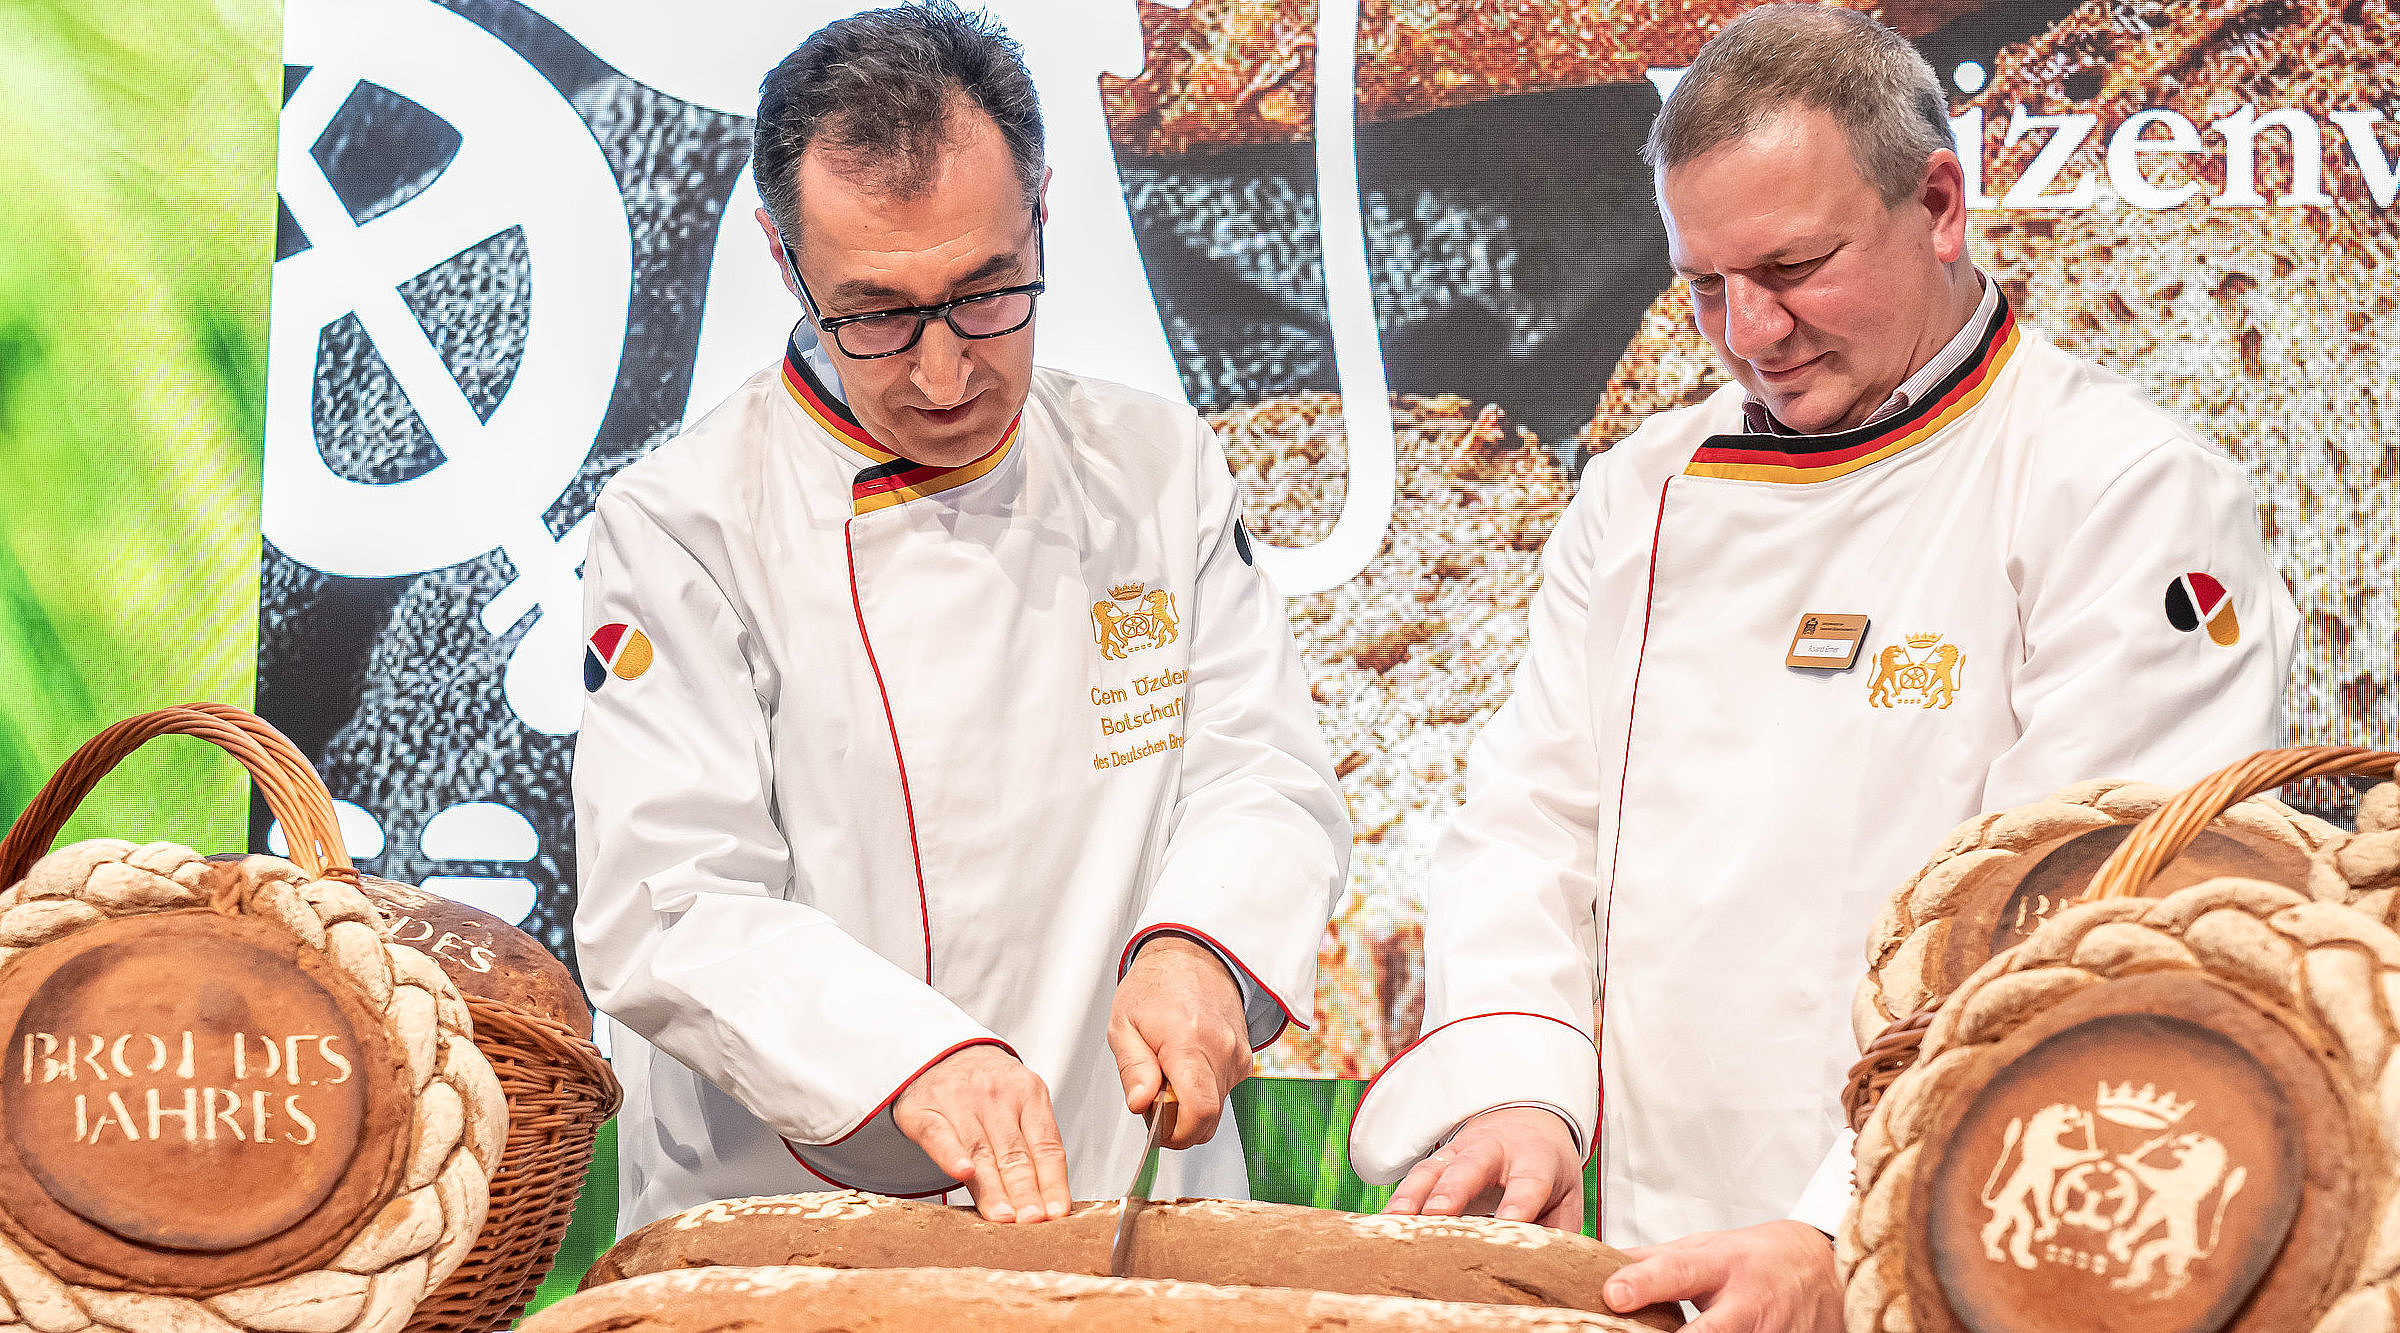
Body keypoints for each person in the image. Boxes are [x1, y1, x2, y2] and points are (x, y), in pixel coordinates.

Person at [1346, 6, 2297, 1330]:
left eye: (1794, 268)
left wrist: (1848, 1223)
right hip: (1643, 1245)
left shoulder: (2123, 493)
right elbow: (1527, 823)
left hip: (1946, 1234)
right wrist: (1522, 1085)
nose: (1752, 331)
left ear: (1941, 203)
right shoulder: (1641, 493)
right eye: (1704, 285)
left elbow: (2088, 925)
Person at [573, 1, 1349, 1234]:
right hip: (798, 1222)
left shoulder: (1157, 469)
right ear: (784, 261)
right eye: (878, 316)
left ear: (1042, 211)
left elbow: (1261, 772)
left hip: (1122, 1182)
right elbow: (673, 904)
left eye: (988, 293)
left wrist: (1202, 944)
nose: (945, 375)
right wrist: (907, 1056)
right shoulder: (684, 527)